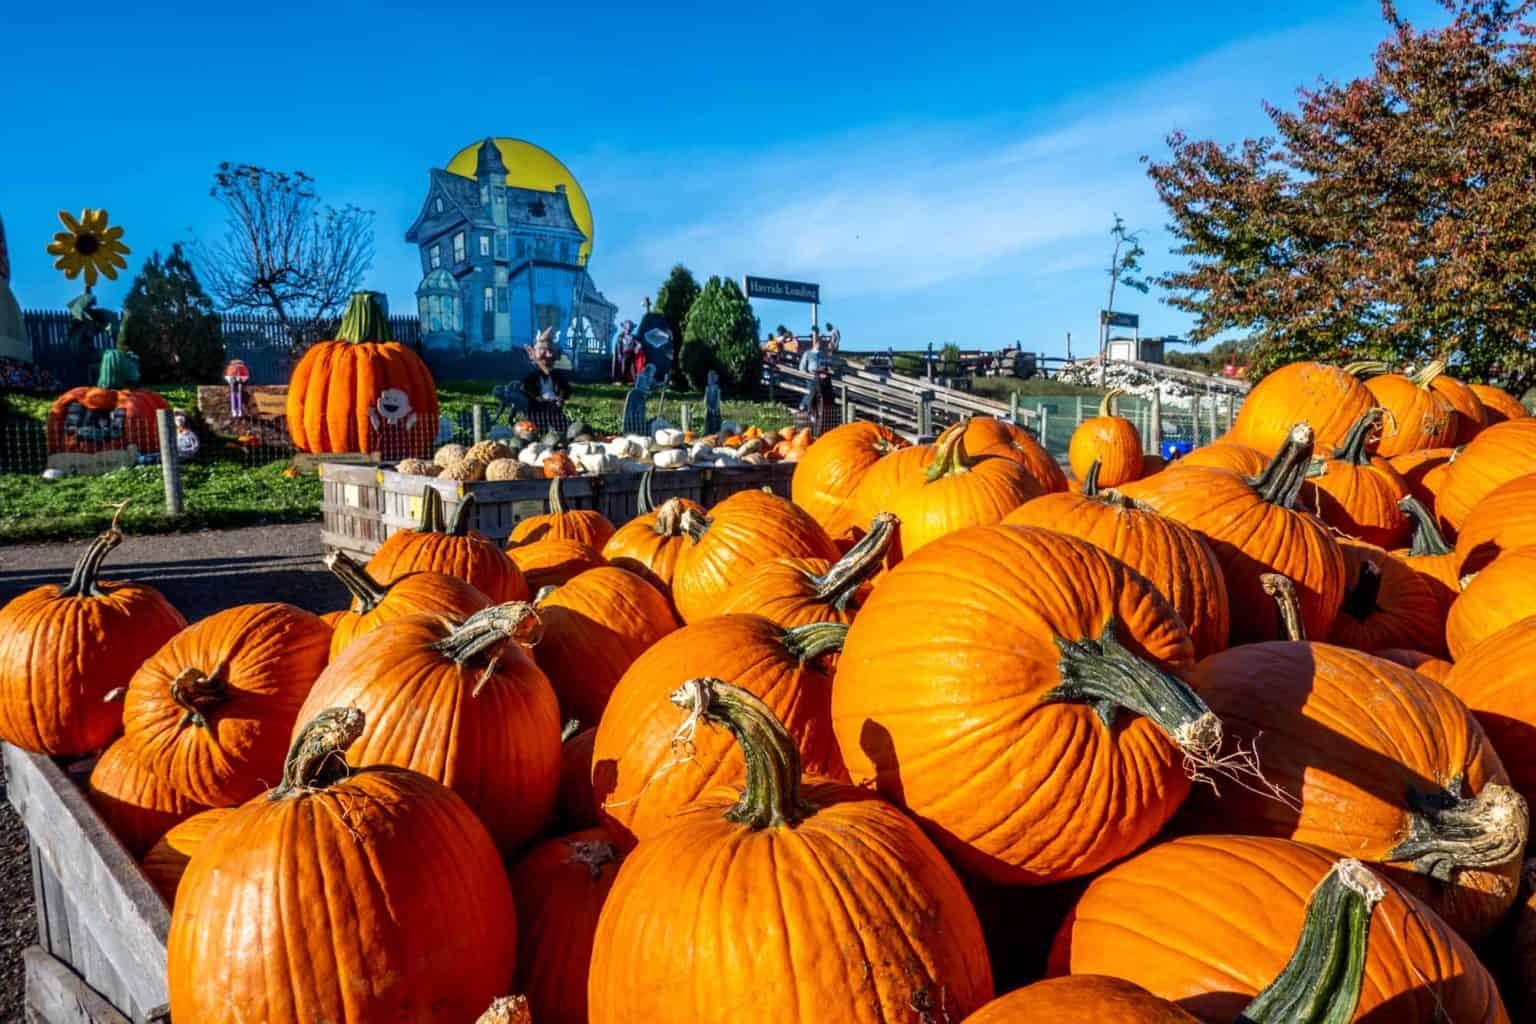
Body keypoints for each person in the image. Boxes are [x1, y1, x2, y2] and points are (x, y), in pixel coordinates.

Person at [522, 328, 571, 434]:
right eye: (543, 350)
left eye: (551, 351)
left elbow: (565, 389)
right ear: (532, 352)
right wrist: (539, 399)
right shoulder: (530, 374)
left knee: (563, 428)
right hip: (536, 411)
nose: (549, 355)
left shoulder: (557, 375)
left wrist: (561, 398)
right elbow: (526, 389)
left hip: (555, 409)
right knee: (534, 429)